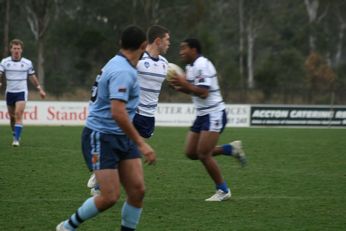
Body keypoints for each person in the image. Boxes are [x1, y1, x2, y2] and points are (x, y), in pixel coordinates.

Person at [56, 25, 156, 231]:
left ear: (121, 43)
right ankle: (67, 227)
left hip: (121, 136)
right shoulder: (123, 71)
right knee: (109, 196)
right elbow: (117, 111)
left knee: (137, 191)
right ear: (144, 46)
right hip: (102, 136)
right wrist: (141, 143)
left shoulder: (118, 62)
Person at [87, 25, 170, 195]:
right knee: (127, 147)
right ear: (158, 41)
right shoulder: (138, 59)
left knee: (131, 146)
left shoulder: (165, 64)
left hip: (149, 114)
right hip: (134, 111)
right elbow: (120, 76)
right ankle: (100, 182)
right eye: (167, 40)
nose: (169, 44)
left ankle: (101, 173)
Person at [169, 38, 246, 202]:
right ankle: (230, 149)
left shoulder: (202, 64)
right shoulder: (190, 67)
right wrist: (178, 86)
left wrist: (184, 84)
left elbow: (204, 92)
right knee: (191, 153)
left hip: (214, 113)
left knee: (204, 154)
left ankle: (223, 190)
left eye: (184, 48)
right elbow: (193, 91)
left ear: (194, 49)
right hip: (202, 114)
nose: (181, 52)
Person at [0, 39, 46, 147]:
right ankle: (15, 133)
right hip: (9, 92)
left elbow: (32, 77)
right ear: (11, 49)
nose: (16, 51)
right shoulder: (4, 62)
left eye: (18, 49)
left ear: (21, 50)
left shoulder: (27, 63)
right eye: (14, 48)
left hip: (21, 92)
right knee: (12, 117)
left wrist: (40, 89)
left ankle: (16, 140)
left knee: (18, 114)